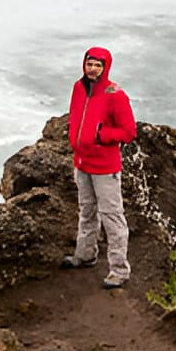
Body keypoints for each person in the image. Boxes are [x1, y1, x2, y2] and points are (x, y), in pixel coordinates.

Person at [63, 45, 137, 289]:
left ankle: (119, 270)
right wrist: (74, 139)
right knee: (87, 211)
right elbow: (75, 116)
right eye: (89, 63)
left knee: (112, 217)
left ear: (105, 67)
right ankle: (85, 255)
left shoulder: (115, 94)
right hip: (82, 162)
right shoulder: (78, 87)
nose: (92, 69)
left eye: (98, 65)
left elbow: (128, 132)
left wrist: (100, 134)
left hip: (105, 167)